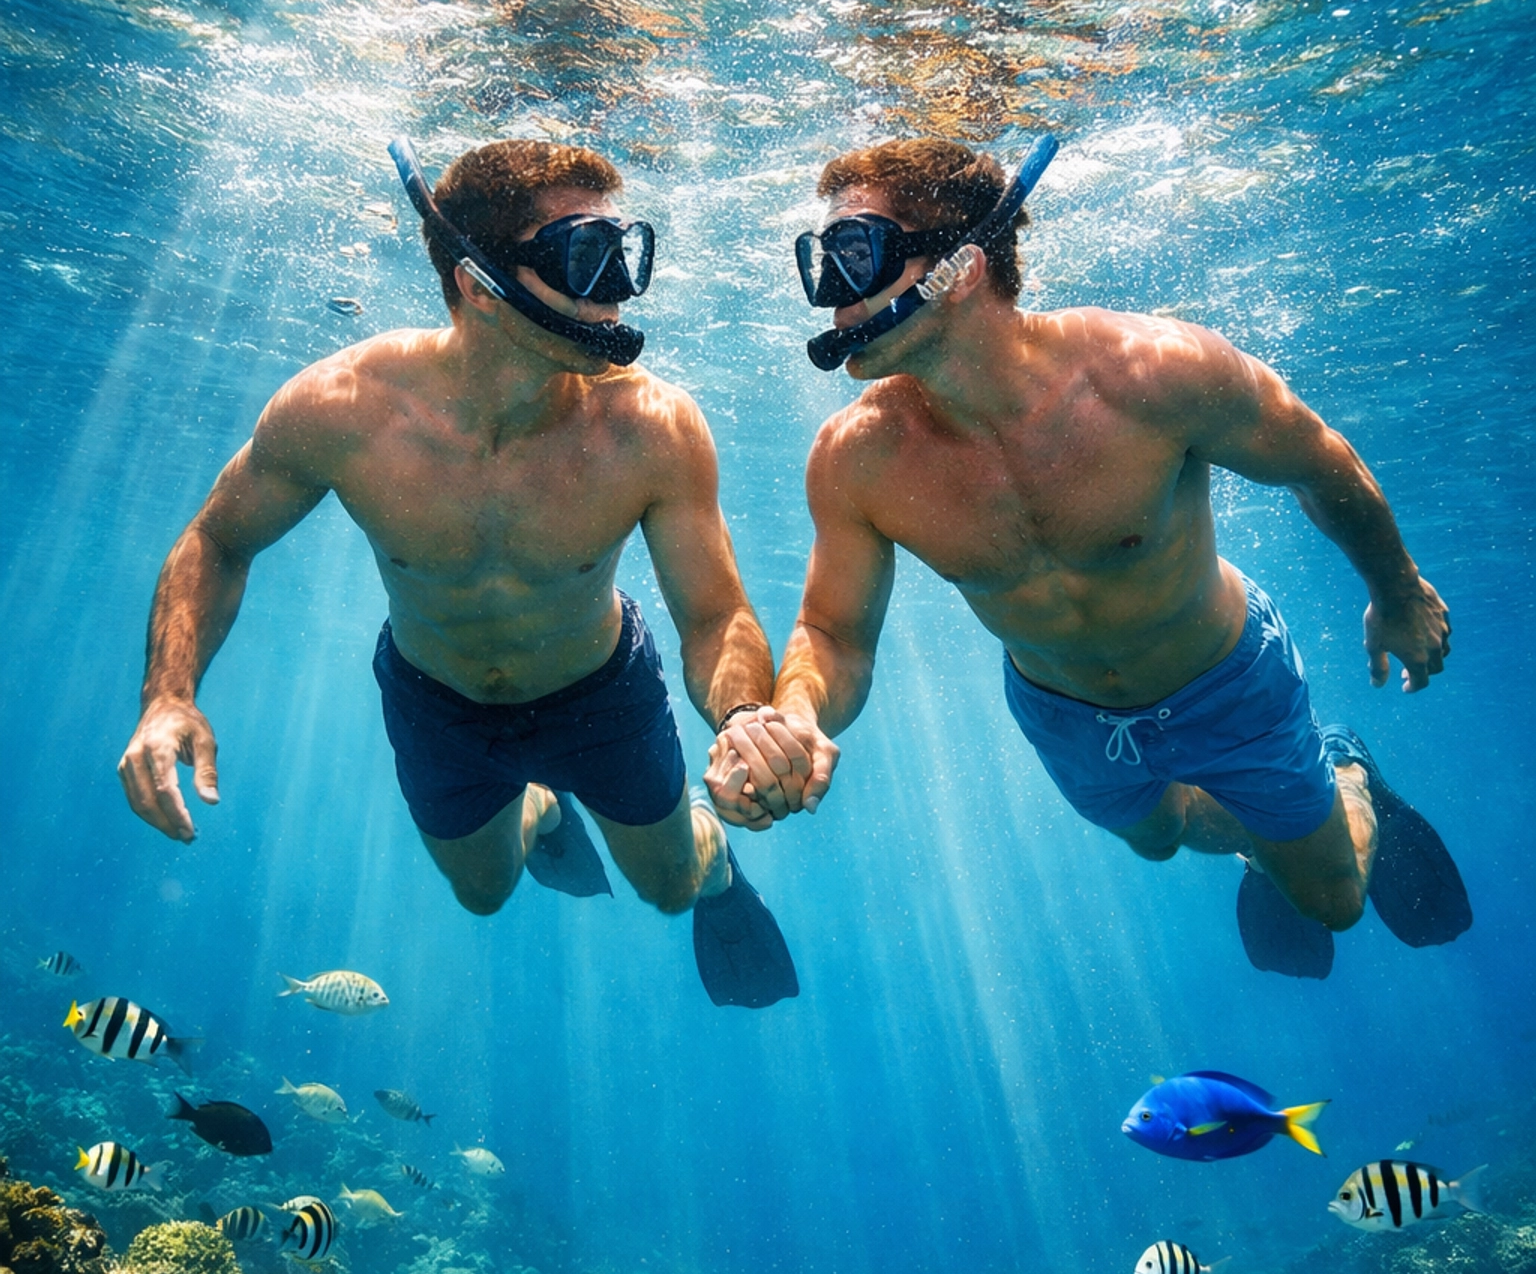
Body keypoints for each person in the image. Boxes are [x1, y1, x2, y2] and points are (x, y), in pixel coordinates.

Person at [706, 135, 1469, 979]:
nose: (830, 297)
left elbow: (1319, 463)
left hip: (1224, 680)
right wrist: (798, 713)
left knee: (1333, 903)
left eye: (856, 255)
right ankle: (1268, 830)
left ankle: (1344, 771)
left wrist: (1398, 592)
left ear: (961, 266)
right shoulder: (857, 457)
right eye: (820, 262)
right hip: (1064, 713)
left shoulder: (1155, 371)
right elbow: (834, 632)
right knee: (1162, 834)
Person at [118, 137, 797, 1009]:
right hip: (435, 703)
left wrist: (741, 714)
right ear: (478, 284)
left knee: (671, 889)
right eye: (585, 256)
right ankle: (538, 803)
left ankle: (709, 856)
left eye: (624, 253)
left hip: (600, 695)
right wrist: (168, 695)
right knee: (483, 893)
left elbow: (714, 614)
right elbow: (217, 539)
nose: (619, 290)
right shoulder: (344, 408)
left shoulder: (651, 427)